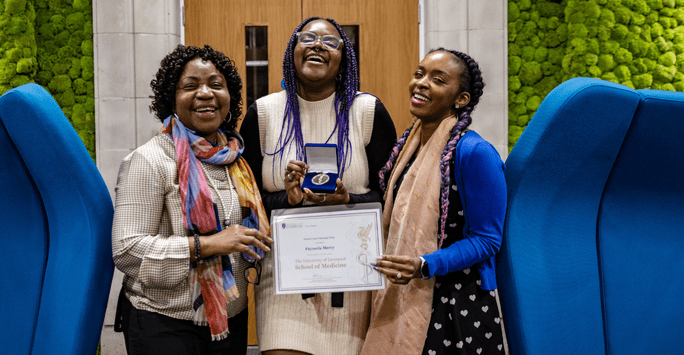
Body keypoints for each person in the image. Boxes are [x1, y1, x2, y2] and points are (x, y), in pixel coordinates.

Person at [240, 17, 396, 355]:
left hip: (351, 276)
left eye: (330, 42)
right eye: (307, 38)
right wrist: (289, 198)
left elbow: (390, 197)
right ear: (292, 49)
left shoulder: (366, 110)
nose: (317, 45)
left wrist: (348, 198)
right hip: (285, 275)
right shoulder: (264, 113)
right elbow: (246, 201)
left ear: (344, 58)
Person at [112, 44, 272, 355]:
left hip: (231, 320)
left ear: (230, 97)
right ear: (171, 97)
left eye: (216, 84)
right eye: (190, 86)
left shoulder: (236, 160)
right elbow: (127, 250)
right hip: (164, 324)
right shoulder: (149, 160)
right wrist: (207, 245)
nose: (205, 94)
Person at [361, 48, 507, 355]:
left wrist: (425, 264)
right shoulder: (408, 149)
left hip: (455, 305)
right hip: (402, 293)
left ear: (461, 99)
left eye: (437, 79)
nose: (422, 83)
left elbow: (487, 240)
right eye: (419, 74)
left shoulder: (475, 153)